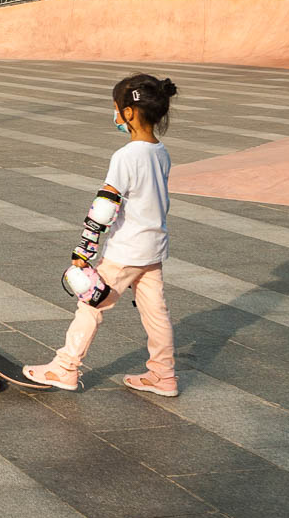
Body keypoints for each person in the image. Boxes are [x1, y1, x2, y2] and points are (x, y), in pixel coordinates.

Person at [25, 74, 180, 396]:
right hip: (153, 248)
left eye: (116, 109)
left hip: (126, 251)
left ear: (129, 112)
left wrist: (84, 251)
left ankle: (65, 368)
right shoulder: (160, 152)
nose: (114, 116)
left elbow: (105, 206)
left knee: (91, 305)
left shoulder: (127, 156)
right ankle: (163, 375)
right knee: (156, 314)